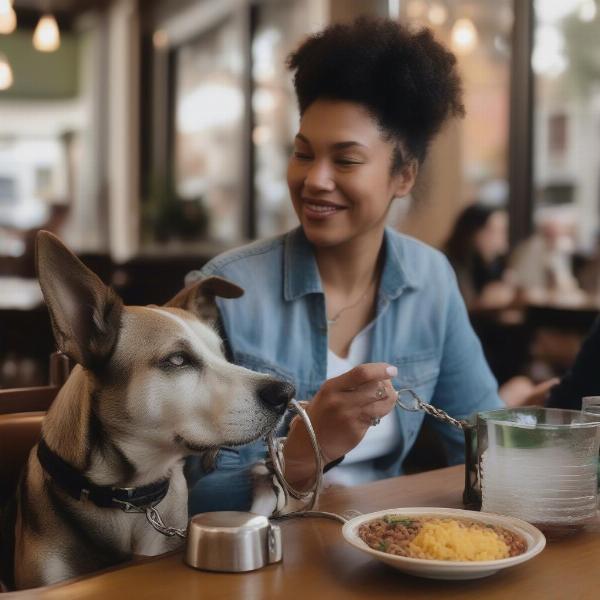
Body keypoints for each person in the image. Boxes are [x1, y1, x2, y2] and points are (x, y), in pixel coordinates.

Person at [185, 17, 503, 514]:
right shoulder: (225, 291)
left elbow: (483, 441)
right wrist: (307, 452)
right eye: (303, 154)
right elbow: (185, 496)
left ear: (403, 175)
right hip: (260, 561)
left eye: (346, 160)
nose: (315, 180)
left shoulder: (430, 279)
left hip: (386, 549)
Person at [445, 203, 514, 309]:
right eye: (494, 231)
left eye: (504, 231)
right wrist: (483, 301)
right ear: (473, 232)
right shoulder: (450, 265)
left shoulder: (496, 263)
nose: (502, 237)